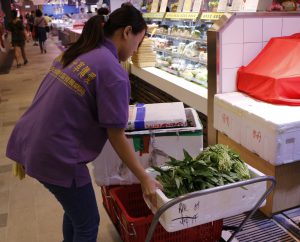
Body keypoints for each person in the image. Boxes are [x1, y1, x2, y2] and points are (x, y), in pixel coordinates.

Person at [6, 5, 161, 242]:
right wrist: (144, 177)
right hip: (58, 154)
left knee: (76, 214)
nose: (136, 50)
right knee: (88, 224)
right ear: (127, 32)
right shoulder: (112, 71)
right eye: (138, 43)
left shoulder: (79, 51)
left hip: (32, 139)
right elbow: (116, 134)